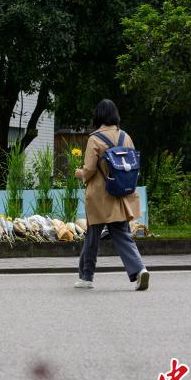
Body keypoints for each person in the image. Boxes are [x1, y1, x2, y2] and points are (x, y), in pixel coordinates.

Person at [73, 99, 150, 290]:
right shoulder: (126, 137)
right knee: (123, 235)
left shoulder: (95, 139)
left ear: (98, 116)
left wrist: (79, 173)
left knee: (92, 237)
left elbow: (90, 170)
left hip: (99, 197)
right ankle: (139, 270)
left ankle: (86, 277)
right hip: (120, 194)